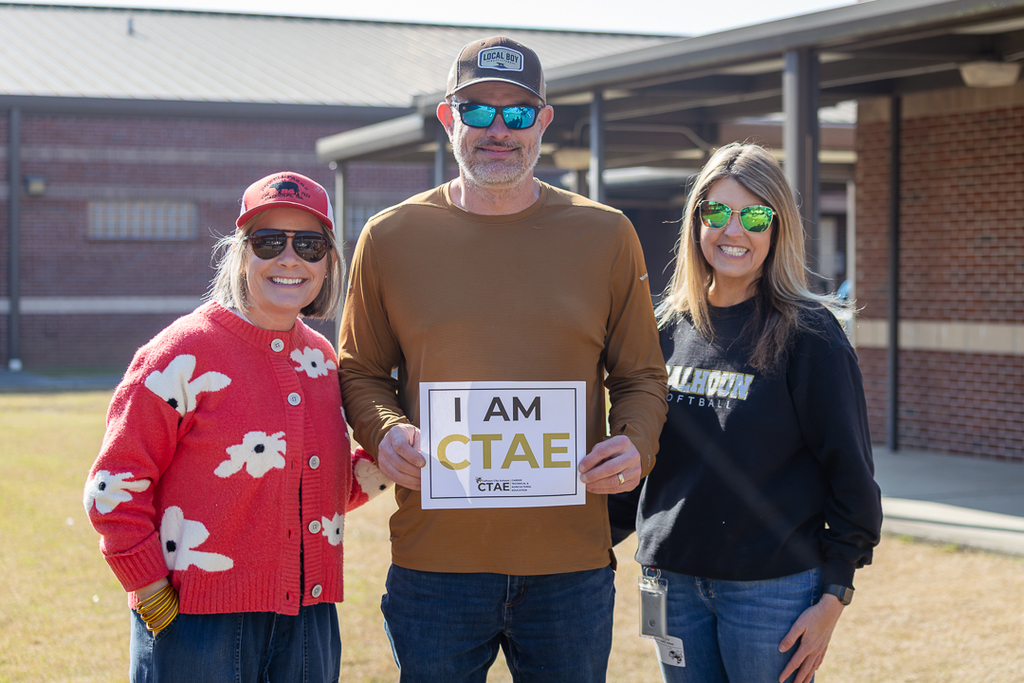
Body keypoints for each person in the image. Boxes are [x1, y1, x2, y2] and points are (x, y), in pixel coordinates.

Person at [338, 36, 668, 683]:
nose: (497, 129)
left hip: (568, 567)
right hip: (436, 566)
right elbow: (362, 369)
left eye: (517, 114)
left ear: (543, 120)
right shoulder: (389, 237)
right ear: (447, 117)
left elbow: (641, 377)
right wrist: (384, 430)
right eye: (477, 110)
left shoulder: (606, 234)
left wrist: (635, 443)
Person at [84, 171, 390, 683]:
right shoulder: (178, 354)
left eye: (309, 245)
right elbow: (112, 489)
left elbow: (321, 489)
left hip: (309, 612)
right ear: (239, 254)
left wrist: (396, 460)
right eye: (269, 242)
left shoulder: (322, 360)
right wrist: (151, 590)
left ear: (329, 263)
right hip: (196, 621)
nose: (289, 259)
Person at [612, 142, 882, 683]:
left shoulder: (810, 337)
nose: (733, 230)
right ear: (696, 221)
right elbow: (637, 456)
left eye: (755, 215)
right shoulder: (665, 326)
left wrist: (834, 595)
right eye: (717, 211)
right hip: (669, 584)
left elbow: (852, 478)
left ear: (777, 228)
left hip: (771, 592)